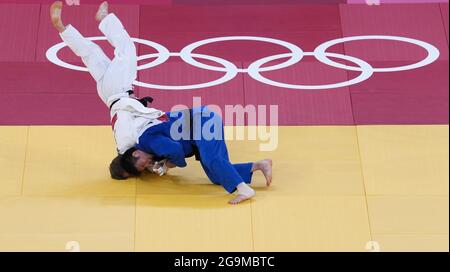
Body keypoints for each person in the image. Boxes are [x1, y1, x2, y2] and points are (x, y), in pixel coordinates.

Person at [50, 1, 167, 178]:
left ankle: (104, 19)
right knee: (91, 54)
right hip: (108, 95)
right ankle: (61, 27)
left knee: (126, 49)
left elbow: (126, 114)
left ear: (130, 160)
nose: (145, 164)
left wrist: (156, 165)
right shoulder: (124, 146)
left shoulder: (127, 142)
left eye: (141, 166)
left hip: (119, 90)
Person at [120, 106, 273, 205]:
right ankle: (259, 165)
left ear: (136, 152)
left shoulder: (148, 141)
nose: (147, 164)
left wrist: (168, 165)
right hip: (199, 128)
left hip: (203, 122)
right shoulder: (145, 146)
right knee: (216, 176)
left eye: (142, 163)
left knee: (211, 159)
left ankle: (244, 190)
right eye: (144, 167)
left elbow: (176, 151)